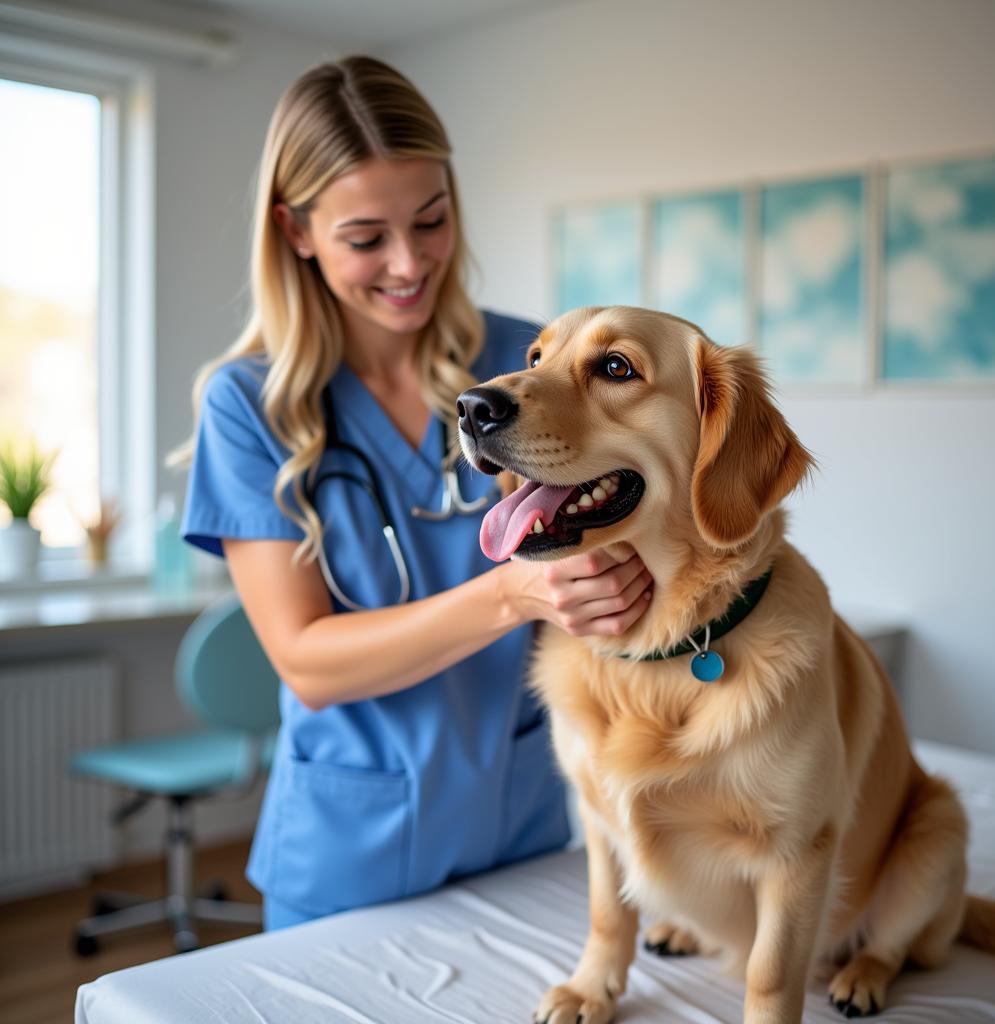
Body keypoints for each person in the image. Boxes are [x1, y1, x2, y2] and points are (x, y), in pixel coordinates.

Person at [175, 55, 653, 930]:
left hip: (526, 833)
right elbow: (306, 662)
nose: (408, 263)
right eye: (366, 238)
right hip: (348, 856)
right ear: (296, 230)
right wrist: (513, 594)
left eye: (430, 221)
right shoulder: (248, 407)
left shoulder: (532, 361)